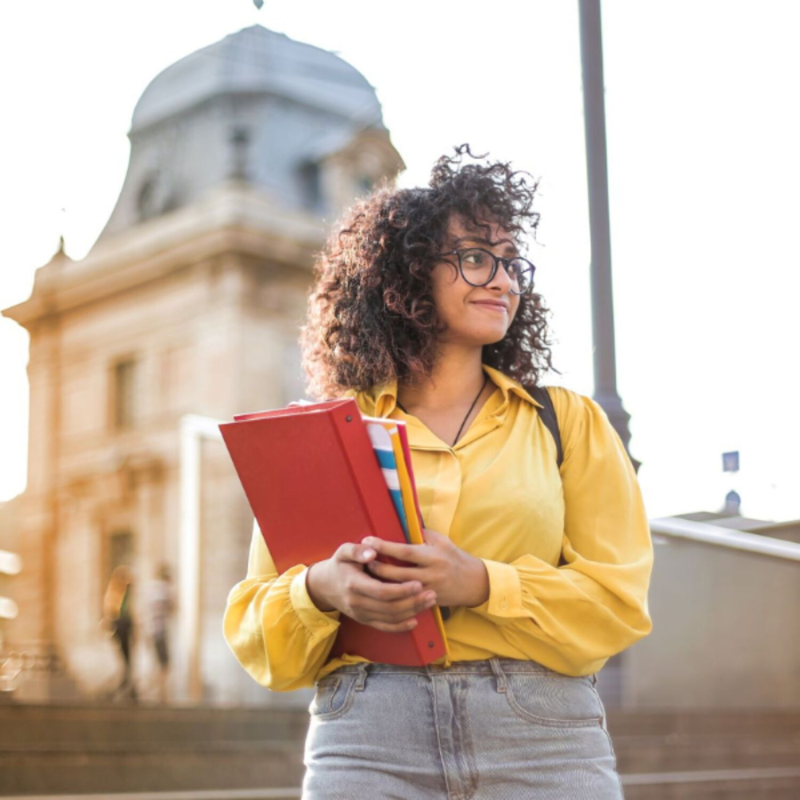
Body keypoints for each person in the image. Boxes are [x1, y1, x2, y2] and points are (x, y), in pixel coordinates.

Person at [223, 145, 653, 799]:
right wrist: (321, 590)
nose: (504, 279)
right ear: (406, 273)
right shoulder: (329, 434)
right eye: (477, 257)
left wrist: (481, 583)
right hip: (366, 736)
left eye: (512, 263)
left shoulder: (567, 423)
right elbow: (259, 634)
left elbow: (618, 604)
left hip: (540, 735)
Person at [103, 564, 137, 702]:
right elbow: (113, 612)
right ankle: (126, 687)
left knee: (127, 661)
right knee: (125, 660)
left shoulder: (122, 592)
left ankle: (128, 687)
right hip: (121, 627)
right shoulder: (117, 592)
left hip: (123, 627)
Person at [144, 562, 175, 703]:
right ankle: (161, 693)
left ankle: (157, 691)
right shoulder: (164, 590)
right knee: (164, 664)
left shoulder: (150, 589)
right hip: (160, 631)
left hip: (150, 630)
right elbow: (172, 607)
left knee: (156, 662)